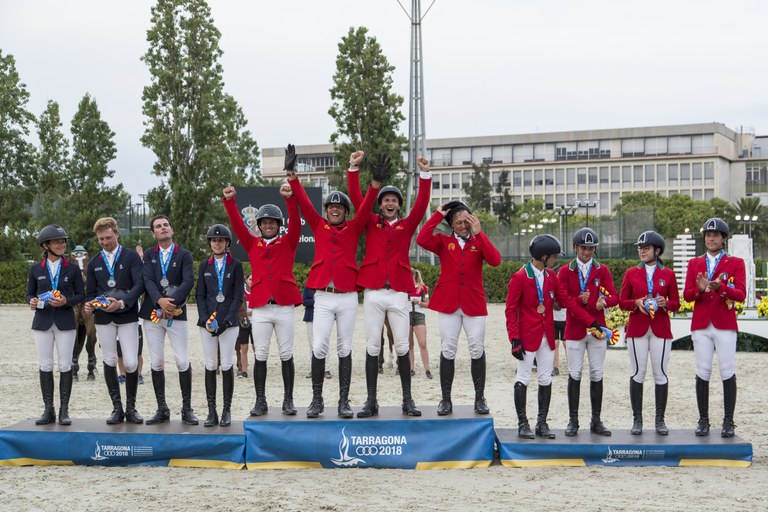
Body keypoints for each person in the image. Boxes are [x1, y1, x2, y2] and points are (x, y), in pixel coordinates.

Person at [287, 145, 379, 419]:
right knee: (319, 346)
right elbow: (303, 201)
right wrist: (292, 175)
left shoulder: (354, 226)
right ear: (326, 211)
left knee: (345, 348)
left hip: (348, 295)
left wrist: (370, 181)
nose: (335, 210)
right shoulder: (318, 224)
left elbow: (366, 205)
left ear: (345, 211)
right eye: (331, 207)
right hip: (324, 296)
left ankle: (343, 402)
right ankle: (317, 400)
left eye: (339, 207)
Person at [347, 153, 429, 417]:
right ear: (380, 205)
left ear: (399, 205)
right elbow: (357, 199)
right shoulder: (370, 221)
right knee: (373, 346)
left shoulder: (407, 225)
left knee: (402, 346)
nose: (390, 203)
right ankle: (371, 401)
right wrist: (354, 169)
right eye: (386, 200)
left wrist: (425, 174)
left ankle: (407, 400)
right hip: (373, 291)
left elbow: (421, 205)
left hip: (398, 293)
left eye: (394, 200)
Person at [506, 234, 601, 439]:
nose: (556, 260)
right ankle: (523, 423)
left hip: (547, 338)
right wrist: (514, 339)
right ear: (544, 256)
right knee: (523, 378)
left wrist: (591, 322)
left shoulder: (551, 276)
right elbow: (510, 311)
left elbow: (568, 302)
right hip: (526, 337)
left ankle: (541, 423)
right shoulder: (520, 277)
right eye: (554, 256)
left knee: (545, 378)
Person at [223, 180, 301, 416]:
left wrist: (289, 198)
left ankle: (288, 400)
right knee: (262, 354)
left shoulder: (288, 241)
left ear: (278, 225)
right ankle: (260, 400)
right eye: (264, 222)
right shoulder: (252, 243)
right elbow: (237, 225)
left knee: (286, 354)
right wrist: (230, 201)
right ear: (259, 225)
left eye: (272, 222)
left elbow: (295, 222)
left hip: (284, 305)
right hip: (261, 308)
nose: (268, 225)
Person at [416, 201, 502, 415]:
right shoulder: (443, 241)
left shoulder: (478, 241)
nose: (463, 226)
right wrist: (438, 215)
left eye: (466, 221)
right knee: (448, 349)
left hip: (473, 303)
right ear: (452, 224)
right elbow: (421, 239)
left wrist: (479, 233)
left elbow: (495, 260)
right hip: (449, 304)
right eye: (458, 222)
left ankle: (479, 398)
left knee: (477, 348)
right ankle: (445, 399)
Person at [684, 218, 745, 438]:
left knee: (727, 370)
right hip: (701, 324)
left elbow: (741, 294)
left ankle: (728, 421)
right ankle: (703, 420)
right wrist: (700, 290)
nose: (711, 239)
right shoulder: (694, 263)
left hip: (724, 323)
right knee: (703, 371)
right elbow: (687, 295)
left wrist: (722, 287)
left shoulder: (735, 262)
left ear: (723, 238)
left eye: (715, 235)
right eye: (708, 235)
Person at [557, 227, 619, 436]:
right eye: (583, 248)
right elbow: (561, 301)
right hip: (575, 328)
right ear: (576, 247)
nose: (587, 252)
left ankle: (596, 420)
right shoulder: (565, 271)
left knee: (596, 373)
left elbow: (615, 296)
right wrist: (577, 300)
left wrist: (605, 302)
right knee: (574, 373)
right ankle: (573, 420)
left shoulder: (602, 270)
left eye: (591, 248)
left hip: (597, 330)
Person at [84, 217, 145, 425]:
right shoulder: (94, 262)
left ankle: (131, 407)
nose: (105, 242)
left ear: (117, 234)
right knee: (109, 360)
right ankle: (117, 408)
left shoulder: (131, 257)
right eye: (101, 239)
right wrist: (90, 304)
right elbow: (90, 293)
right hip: (104, 318)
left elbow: (139, 285)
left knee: (130, 362)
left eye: (108, 237)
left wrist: (121, 303)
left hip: (127, 314)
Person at [619, 231, 680, 435]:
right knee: (638, 372)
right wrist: (636, 302)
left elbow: (676, 303)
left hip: (660, 328)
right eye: (640, 248)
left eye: (646, 248)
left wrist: (665, 303)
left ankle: (660, 420)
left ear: (657, 250)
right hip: (637, 327)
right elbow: (622, 302)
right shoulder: (631, 273)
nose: (642, 251)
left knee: (660, 373)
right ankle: (637, 420)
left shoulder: (668, 274)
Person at [139, 215, 197, 425]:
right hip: (152, 313)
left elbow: (188, 281)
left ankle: (187, 409)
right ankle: (162, 409)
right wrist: (159, 301)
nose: (163, 228)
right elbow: (148, 280)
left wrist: (170, 303)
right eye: (158, 226)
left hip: (176, 312)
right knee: (157, 361)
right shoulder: (149, 254)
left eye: (166, 225)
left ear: (171, 229)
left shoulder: (184, 254)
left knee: (182, 360)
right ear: (153, 233)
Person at [27, 225, 84, 425]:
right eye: (57, 242)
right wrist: (31, 301)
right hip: (42, 321)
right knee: (45, 365)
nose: (62, 245)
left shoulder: (72, 269)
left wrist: (66, 301)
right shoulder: (36, 269)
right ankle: (48, 410)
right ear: (46, 245)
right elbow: (29, 293)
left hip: (65, 320)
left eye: (63, 241)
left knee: (65, 364)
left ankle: (64, 411)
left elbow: (81, 295)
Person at [195, 224, 244, 427]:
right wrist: (206, 319)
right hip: (208, 323)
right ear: (210, 243)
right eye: (214, 241)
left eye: (221, 240)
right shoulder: (204, 266)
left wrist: (227, 320)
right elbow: (200, 294)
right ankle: (211, 411)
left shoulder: (236, 265)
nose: (217, 243)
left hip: (228, 323)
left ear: (227, 243)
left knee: (226, 363)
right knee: (210, 364)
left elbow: (238, 296)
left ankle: (226, 410)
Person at [303, 286, 332, 379]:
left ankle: (326, 368)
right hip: (310, 317)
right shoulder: (308, 287)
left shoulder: (325, 287)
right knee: (312, 343)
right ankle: (314, 368)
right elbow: (304, 301)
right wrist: (317, 300)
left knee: (324, 342)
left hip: (324, 317)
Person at [408, 268, 432, 379]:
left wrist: (418, 302)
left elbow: (428, 304)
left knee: (422, 343)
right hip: (406, 315)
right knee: (409, 344)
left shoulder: (422, 288)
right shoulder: (404, 288)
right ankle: (411, 369)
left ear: (414, 276)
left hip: (418, 315)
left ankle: (427, 369)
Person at [236, 274, 254, 379]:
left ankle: (259, 367)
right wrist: (247, 313)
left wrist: (246, 313)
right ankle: (244, 370)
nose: (252, 281)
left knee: (256, 347)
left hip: (256, 322)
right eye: (250, 279)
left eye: (253, 280)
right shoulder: (242, 293)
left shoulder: (258, 292)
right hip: (244, 322)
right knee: (244, 347)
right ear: (246, 281)